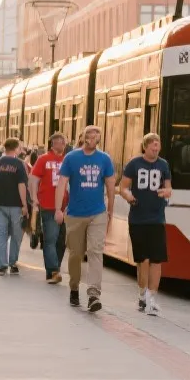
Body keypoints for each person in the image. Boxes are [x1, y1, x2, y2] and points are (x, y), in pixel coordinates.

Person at [55, 125, 116, 312]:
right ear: (83, 137)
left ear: (98, 139)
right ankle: (74, 287)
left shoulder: (104, 159)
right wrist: (58, 209)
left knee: (96, 251)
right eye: (89, 135)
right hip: (74, 214)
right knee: (75, 254)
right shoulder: (71, 158)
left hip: (97, 213)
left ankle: (93, 294)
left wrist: (110, 211)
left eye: (96, 135)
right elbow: (62, 184)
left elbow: (111, 186)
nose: (92, 138)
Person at [120, 133, 172, 316]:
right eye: (152, 146)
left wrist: (166, 192)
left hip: (157, 218)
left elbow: (169, 188)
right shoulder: (134, 164)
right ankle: (142, 294)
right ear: (145, 147)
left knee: (157, 260)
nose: (156, 149)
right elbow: (123, 187)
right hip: (138, 218)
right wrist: (128, 196)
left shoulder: (164, 165)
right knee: (143, 260)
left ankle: (152, 297)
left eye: (158, 146)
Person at [29, 133, 69, 284]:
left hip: (66, 207)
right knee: (50, 239)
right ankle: (53, 270)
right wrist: (34, 198)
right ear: (52, 144)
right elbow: (33, 179)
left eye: (63, 142)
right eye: (58, 142)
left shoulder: (68, 160)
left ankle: (53, 270)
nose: (61, 144)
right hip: (48, 204)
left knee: (62, 241)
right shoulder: (44, 159)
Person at [0, 138, 29, 276]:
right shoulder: (19, 164)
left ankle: (2, 265)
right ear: (16, 148)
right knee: (16, 235)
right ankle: (12, 262)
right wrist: (24, 204)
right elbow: (21, 185)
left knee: (1, 234)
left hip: (0, 204)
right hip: (16, 205)